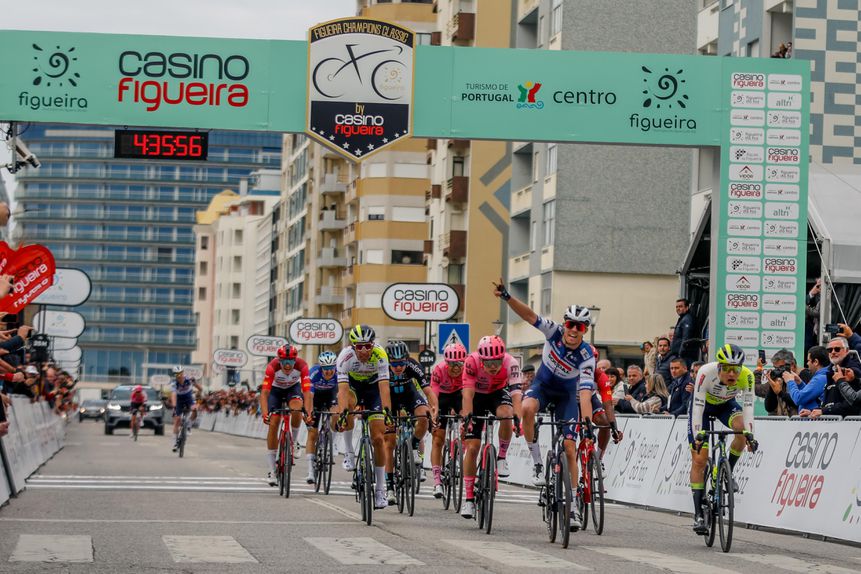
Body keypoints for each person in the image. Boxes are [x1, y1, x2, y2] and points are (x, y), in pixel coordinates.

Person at [493, 279, 612, 531]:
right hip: (544, 386)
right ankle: (537, 463)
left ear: (585, 330)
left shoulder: (587, 356)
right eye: (570, 324)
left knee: (569, 448)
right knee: (527, 409)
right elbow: (529, 316)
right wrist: (507, 297)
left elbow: (585, 393)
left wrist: (586, 423)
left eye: (580, 326)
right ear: (564, 324)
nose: (573, 330)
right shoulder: (554, 331)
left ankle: (573, 506)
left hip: (567, 395)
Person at [689, 344, 757, 534]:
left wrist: (751, 435)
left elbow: (748, 408)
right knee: (699, 459)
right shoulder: (705, 372)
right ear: (719, 367)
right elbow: (697, 407)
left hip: (726, 406)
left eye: (736, 369)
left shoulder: (747, 376)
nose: (732, 373)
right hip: (703, 408)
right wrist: (698, 435)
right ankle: (698, 514)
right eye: (727, 368)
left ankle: (728, 472)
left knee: (741, 430)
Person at [459, 335, 519, 520]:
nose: (493, 366)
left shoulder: (511, 363)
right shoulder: (471, 362)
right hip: (476, 395)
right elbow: (467, 395)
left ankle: (501, 457)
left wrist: (518, 418)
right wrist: (468, 418)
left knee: (507, 414)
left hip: (497, 393)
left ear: (503, 358)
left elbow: (516, 394)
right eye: (488, 362)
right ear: (481, 360)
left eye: (497, 361)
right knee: (472, 448)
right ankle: (469, 499)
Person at [335, 324, 393, 510]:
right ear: (353, 346)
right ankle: (349, 452)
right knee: (347, 409)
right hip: (353, 388)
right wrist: (343, 413)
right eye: (359, 346)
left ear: (372, 344)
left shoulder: (380, 354)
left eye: (368, 346)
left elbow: (384, 387)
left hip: (374, 389)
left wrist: (387, 412)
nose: (364, 350)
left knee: (378, 438)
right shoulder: (345, 357)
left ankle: (380, 490)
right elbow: (343, 391)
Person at [382, 340, 435, 505]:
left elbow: (428, 391)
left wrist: (434, 410)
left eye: (402, 363)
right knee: (389, 444)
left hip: (409, 395)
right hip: (389, 399)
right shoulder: (381, 367)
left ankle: (414, 444)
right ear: (388, 362)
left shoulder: (412, 365)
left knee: (424, 416)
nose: (398, 367)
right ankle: (390, 487)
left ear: (407, 360)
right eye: (394, 364)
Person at [259, 344, 311, 486]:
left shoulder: (302, 365)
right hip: (275, 391)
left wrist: (308, 412)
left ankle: (294, 442)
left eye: (290, 362)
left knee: (297, 409)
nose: (287, 365)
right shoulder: (272, 367)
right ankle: (272, 471)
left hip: (292, 389)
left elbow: (307, 392)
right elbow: (264, 393)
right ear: (279, 360)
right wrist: (265, 413)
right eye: (284, 362)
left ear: (295, 360)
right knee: (273, 423)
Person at [429, 342, 466, 499]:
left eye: (459, 364)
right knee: (438, 438)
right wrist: (434, 414)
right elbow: (434, 396)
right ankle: (437, 481)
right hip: (442, 397)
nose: (456, 368)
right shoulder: (439, 370)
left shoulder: (467, 369)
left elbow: (469, 395)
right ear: (446, 363)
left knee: (468, 421)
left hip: (459, 395)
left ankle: (458, 452)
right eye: (452, 364)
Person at [303, 351, 339, 485]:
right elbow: (309, 396)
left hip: (331, 395)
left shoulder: (339, 373)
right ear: (321, 367)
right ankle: (310, 471)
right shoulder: (314, 373)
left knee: (336, 414)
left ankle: (332, 443)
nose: (329, 371)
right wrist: (309, 413)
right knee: (312, 433)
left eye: (331, 368)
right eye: (326, 368)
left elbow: (342, 393)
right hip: (315, 398)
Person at [170, 366, 203, 452]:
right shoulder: (174, 383)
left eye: (180, 373)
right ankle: (174, 442)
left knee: (195, 410)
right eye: (176, 374)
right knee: (177, 420)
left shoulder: (189, 380)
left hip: (188, 399)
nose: (179, 376)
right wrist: (174, 407)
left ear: (183, 373)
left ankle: (189, 426)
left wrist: (196, 385)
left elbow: (200, 389)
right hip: (179, 400)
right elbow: (173, 395)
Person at [671, 298, 697, 366]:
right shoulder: (682, 319)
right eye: (677, 307)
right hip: (682, 356)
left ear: (687, 308)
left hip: (685, 357)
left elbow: (686, 339)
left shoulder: (687, 319)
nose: (678, 308)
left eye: (680, 306)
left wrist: (680, 355)